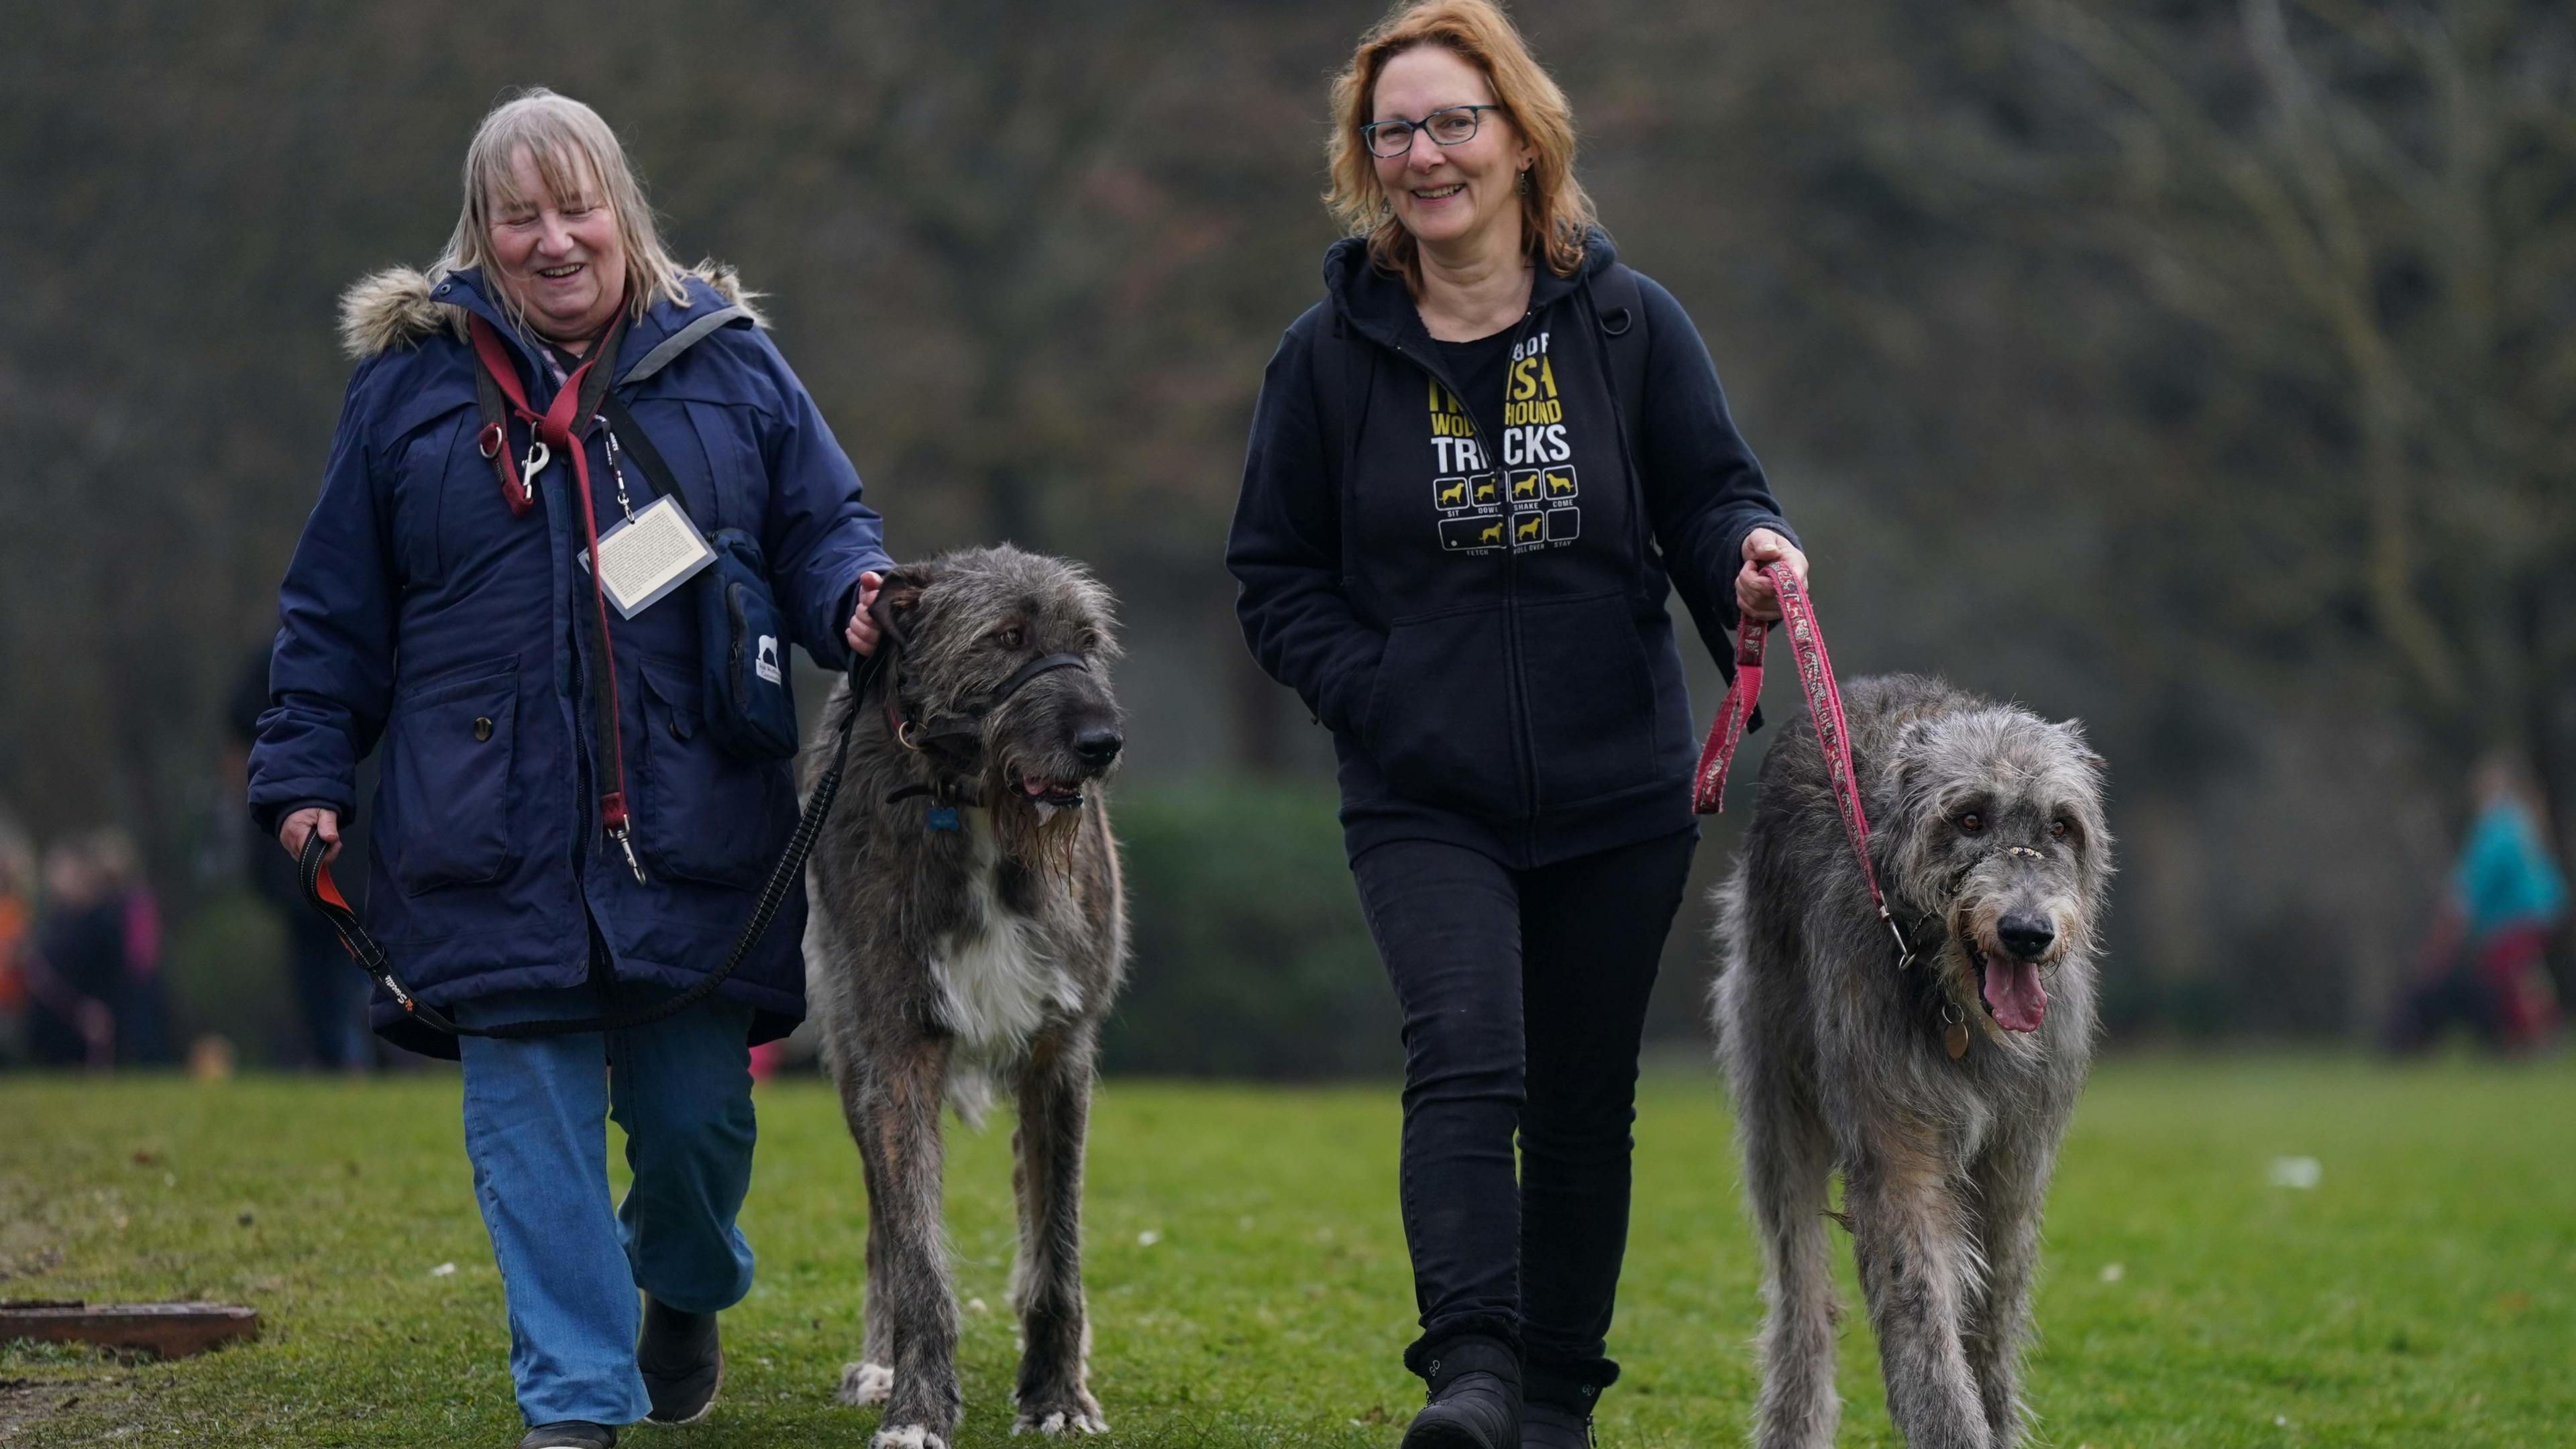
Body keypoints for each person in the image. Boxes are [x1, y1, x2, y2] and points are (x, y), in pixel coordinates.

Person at [247, 90, 893, 1449]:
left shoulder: (735, 365)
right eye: (517, 215)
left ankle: (688, 1286)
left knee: (696, 1130)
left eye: (575, 206)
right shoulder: (406, 391)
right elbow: (330, 611)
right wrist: (305, 768)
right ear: (478, 234)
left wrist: (858, 602)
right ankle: (574, 1405)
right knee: (529, 1124)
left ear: (624, 212)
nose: (552, 241)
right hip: (481, 829)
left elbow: (825, 524)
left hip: (696, 822)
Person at [1226, 4, 1804, 1445]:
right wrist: (1381, 695)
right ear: (1368, 164)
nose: (1425, 155)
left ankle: (1554, 1395)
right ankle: (1471, 1380)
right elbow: (1273, 576)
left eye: (1452, 122)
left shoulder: (1627, 325)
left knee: (1584, 1096)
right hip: (1425, 790)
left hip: (1619, 784)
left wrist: (1750, 555)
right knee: (1467, 1056)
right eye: (1394, 132)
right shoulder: (1327, 356)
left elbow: (1706, 496)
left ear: (1521, 134)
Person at [2385, 754, 2566, 1054]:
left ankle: (2531, 1042)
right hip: (2538, 918)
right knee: (2525, 982)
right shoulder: (2524, 825)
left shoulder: (2498, 827)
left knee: (2512, 984)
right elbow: (2548, 884)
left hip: (2512, 923)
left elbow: (2471, 884)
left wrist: (2451, 919)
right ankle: (2538, 1040)